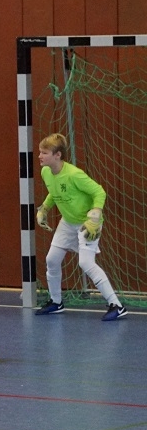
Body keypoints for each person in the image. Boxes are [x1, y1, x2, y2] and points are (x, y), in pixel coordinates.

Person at [34, 133, 127, 321]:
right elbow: (54, 191)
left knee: (85, 263)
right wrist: (45, 207)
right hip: (68, 222)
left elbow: (99, 191)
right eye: (40, 152)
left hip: (88, 223)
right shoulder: (46, 172)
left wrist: (96, 214)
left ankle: (117, 305)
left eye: (44, 153)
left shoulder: (74, 175)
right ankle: (56, 302)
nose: (40, 156)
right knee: (52, 260)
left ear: (58, 155)